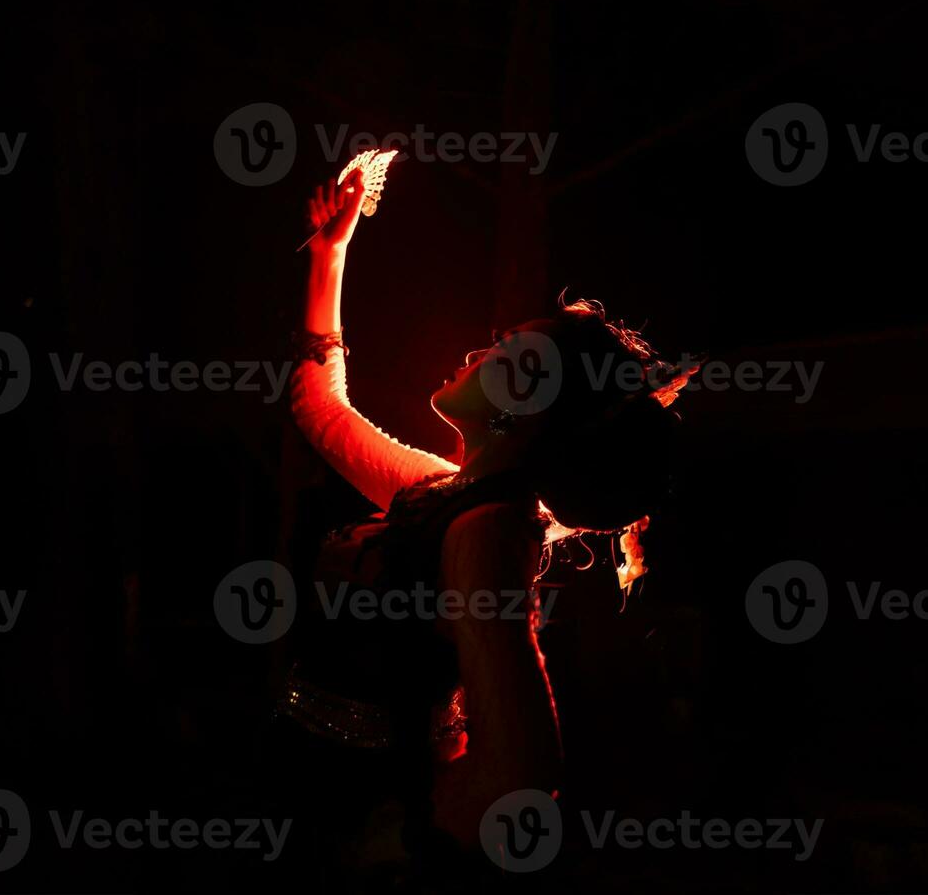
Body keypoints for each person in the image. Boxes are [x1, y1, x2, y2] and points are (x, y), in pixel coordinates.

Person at [265, 163, 690, 886]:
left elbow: (524, 761)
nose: (475, 351)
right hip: (318, 784)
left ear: (525, 407)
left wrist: (417, 837)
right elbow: (320, 410)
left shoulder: (486, 532)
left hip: (362, 819)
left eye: (505, 350)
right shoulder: (442, 491)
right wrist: (333, 253)